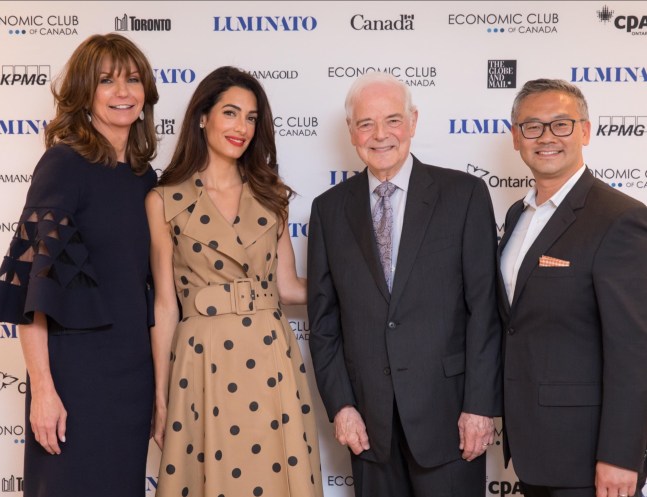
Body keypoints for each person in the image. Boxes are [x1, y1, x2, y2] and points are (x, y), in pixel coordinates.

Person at [307, 71, 502, 497]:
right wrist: (342, 406)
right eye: (366, 123)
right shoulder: (328, 210)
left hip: (450, 419)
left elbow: (485, 310)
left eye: (392, 120)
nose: (380, 135)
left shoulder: (464, 195)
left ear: (413, 121)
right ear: (351, 131)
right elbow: (323, 322)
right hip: (368, 426)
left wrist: (479, 406)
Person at [0, 33, 158, 497]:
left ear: (145, 92)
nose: (122, 92)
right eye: (106, 81)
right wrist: (43, 390)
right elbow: (31, 291)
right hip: (73, 378)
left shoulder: (146, 178)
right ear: (85, 92)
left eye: (132, 79)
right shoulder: (63, 165)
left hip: (133, 376)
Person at [147, 65, 323, 497]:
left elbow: (287, 287)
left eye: (251, 118)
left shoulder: (271, 194)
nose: (241, 127)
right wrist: (161, 396)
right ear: (202, 117)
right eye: (230, 113)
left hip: (269, 355)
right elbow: (165, 305)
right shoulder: (164, 200)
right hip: (202, 360)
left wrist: (358, 286)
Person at [498, 78, 647, 497]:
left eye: (561, 124)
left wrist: (621, 456)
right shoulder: (517, 216)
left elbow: (634, 350)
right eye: (532, 126)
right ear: (516, 138)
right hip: (532, 448)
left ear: (585, 131)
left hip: (590, 457)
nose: (546, 137)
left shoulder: (619, 218)